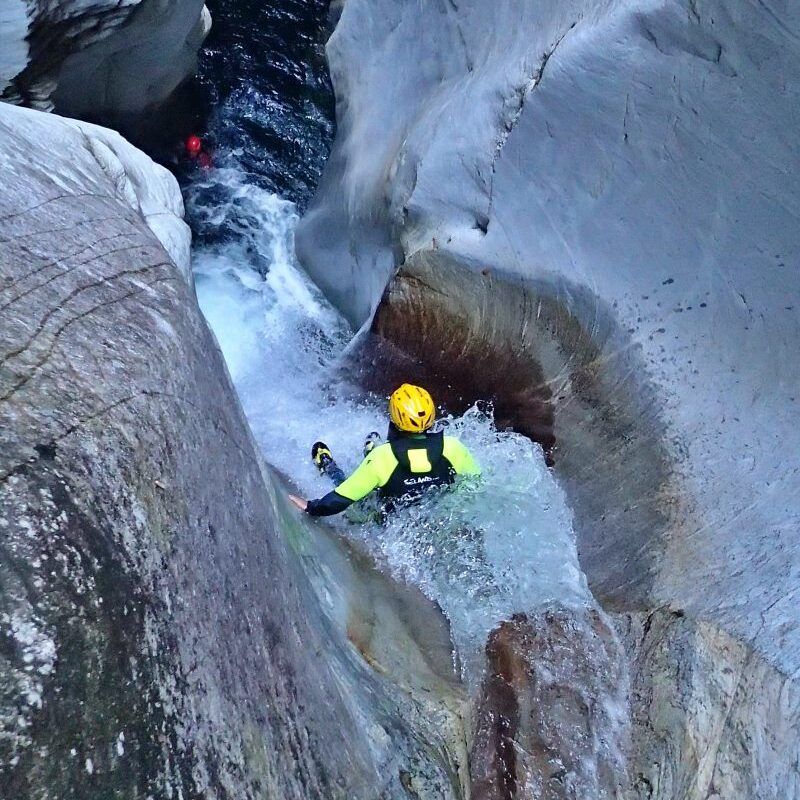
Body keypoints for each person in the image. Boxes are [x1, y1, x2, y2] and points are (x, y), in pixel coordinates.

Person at [288, 384, 480, 517]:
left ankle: (329, 466)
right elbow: (476, 486)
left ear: (394, 418)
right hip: (426, 515)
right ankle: (369, 449)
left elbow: (343, 497)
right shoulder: (454, 448)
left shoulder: (383, 458)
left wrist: (312, 507)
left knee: (355, 502)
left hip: (383, 516)